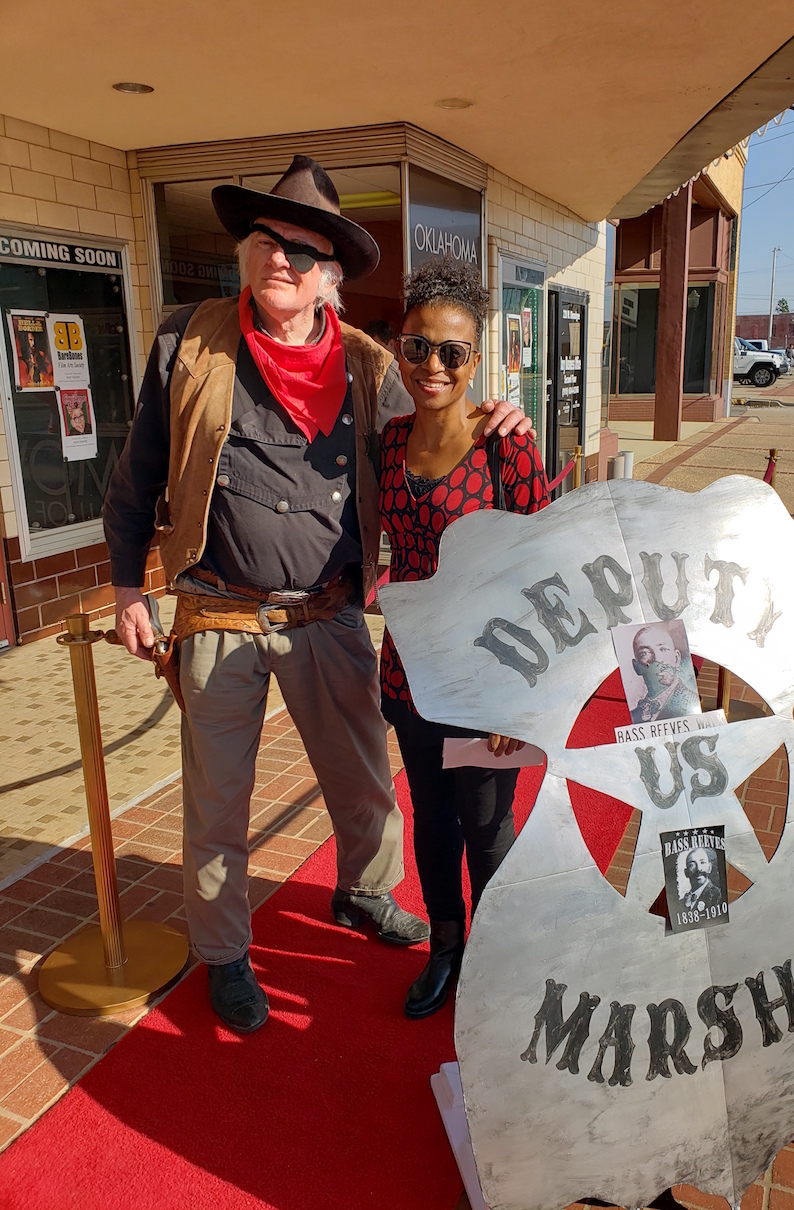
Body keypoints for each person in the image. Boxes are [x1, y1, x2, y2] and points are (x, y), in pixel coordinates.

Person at [102, 157, 531, 1034]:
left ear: (330, 275)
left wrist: (503, 419)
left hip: (329, 609)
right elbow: (139, 469)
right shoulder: (189, 341)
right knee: (216, 800)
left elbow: (433, 436)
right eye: (268, 239)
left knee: (365, 785)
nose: (282, 259)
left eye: (304, 249)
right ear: (245, 249)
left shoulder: (375, 364)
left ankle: (364, 897)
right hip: (220, 607)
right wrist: (125, 586)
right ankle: (224, 953)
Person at [379, 257, 549, 1019]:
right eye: (418, 347)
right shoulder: (386, 443)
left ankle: (499, 963)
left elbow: (542, 571)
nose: (433, 366)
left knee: (487, 830)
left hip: (488, 682)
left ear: (475, 360)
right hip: (410, 675)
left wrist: (520, 702)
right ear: (399, 349)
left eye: (451, 352)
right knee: (433, 820)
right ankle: (445, 945)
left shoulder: (504, 445)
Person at [628, 623, 700, 723]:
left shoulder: (693, 702)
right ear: (636, 666)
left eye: (663, 649)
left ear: (676, 658)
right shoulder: (635, 715)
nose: (658, 659)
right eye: (644, 653)